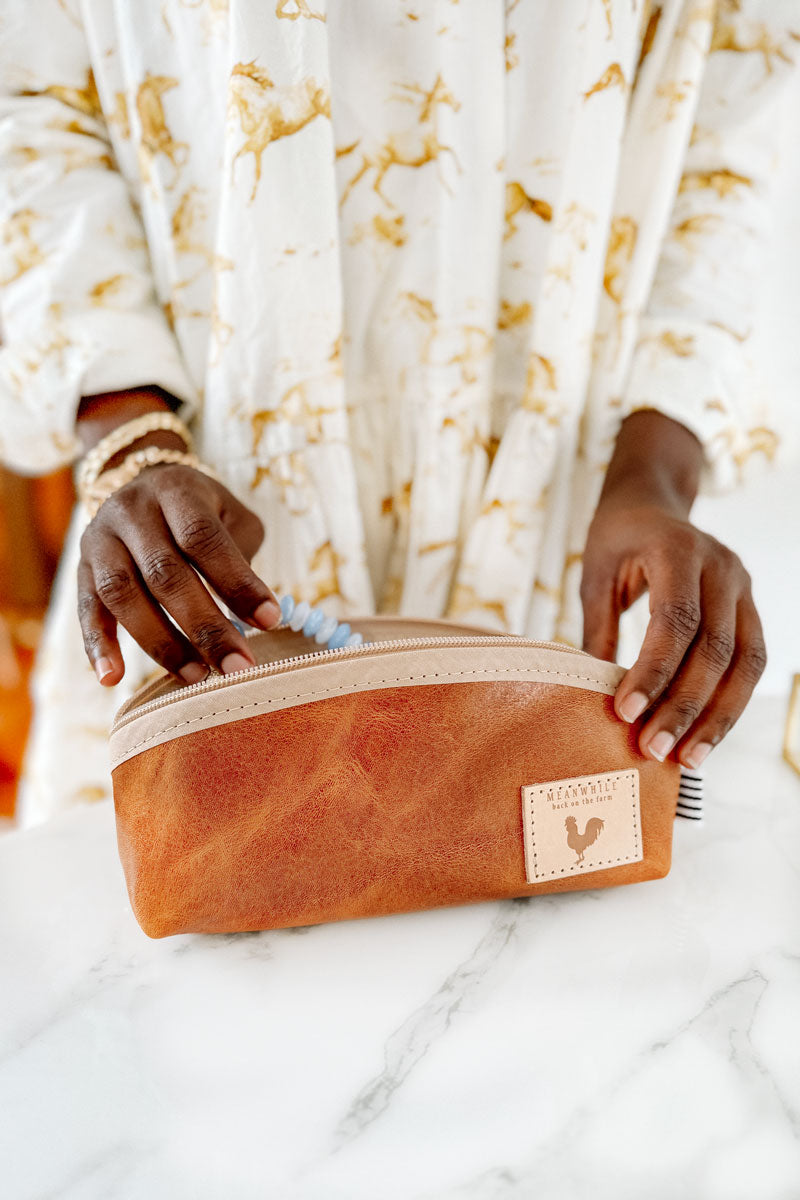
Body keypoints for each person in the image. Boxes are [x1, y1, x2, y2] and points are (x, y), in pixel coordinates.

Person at [1, 0, 796, 826]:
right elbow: (30, 103)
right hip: (198, 549)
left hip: (549, 542)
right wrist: (131, 435)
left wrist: (652, 479)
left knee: (519, 909)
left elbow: (731, 119)